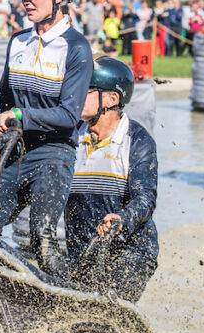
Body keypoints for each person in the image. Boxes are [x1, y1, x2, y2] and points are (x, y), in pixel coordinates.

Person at [0, 0, 92, 274]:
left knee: (42, 237)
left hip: (54, 154)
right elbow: (3, 97)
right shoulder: (18, 41)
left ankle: (66, 294)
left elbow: (69, 116)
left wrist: (18, 115)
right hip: (15, 150)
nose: (26, 1)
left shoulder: (76, 48)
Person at [66, 57, 158, 303]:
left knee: (105, 313)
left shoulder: (137, 141)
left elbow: (145, 199)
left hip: (131, 252)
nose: (76, 95)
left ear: (111, 99)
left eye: (86, 90)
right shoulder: (71, 136)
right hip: (82, 252)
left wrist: (122, 219)